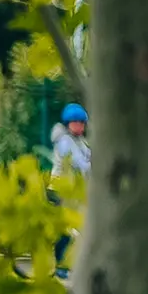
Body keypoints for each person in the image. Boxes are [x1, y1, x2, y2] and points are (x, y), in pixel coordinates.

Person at [49, 103, 91, 278]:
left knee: (73, 228)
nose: (79, 126)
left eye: (82, 123)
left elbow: (89, 155)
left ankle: (65, 265)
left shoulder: (80, 141)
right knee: (64, 230)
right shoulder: (64, 141)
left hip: (72, 191)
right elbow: (80, 164)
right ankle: (58, 265)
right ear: (68, 124)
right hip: (60, 190)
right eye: (75, 122)